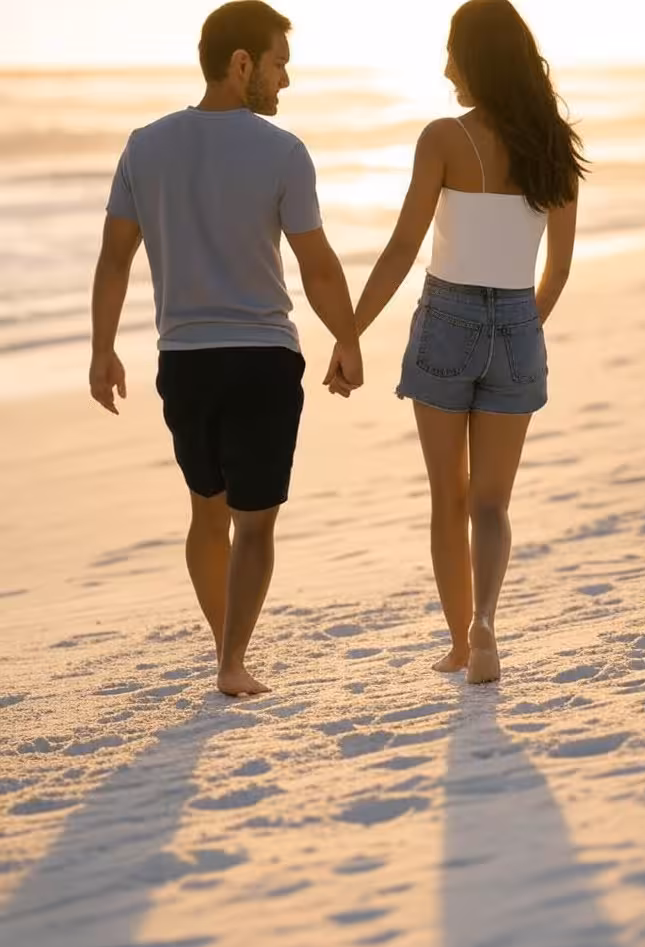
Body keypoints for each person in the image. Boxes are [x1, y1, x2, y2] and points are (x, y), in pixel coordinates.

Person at [90, 1, 363, 697]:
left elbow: (115, 258)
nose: (285, 82)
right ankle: (232, 660)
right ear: (242, 64)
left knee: (206, 513)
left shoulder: (144, 145)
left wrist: (103, 349)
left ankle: (226, 650)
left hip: (183, 361)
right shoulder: (283, 152)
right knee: (256, 522)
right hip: (264, 357)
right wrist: (348, 337)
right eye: (279, 65)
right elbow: (319, 266)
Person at [326, 0, 586, 684]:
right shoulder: (554, 145)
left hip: (446, 319)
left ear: (475, 59)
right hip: (520, 324)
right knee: (493, 503)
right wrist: (519, 329)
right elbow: (557, 271)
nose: (445, 68)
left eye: (452, 53)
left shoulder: (443, 137)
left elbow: (402, 248)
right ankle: (487, 624)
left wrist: (349, 332)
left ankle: (459, 644)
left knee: (449, 495)